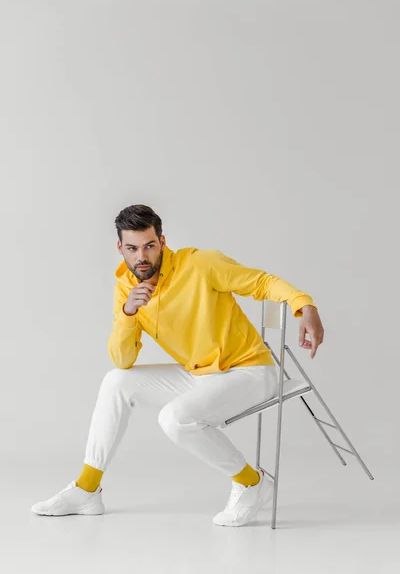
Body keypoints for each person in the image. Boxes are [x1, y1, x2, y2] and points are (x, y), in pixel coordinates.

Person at [31, 204, 324, 526]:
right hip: (201, 375)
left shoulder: (199, 263)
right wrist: (129, 314)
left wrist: (304, 305)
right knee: (116, 381)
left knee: (174, 418)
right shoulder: (126, 289)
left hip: (250, 370)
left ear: (162, 241)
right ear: (120, 248)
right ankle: (87, 489)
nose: (141, 256)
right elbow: (123, 360)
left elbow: (262, 282)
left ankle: (251, 482)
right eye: (132, 248)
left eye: (149, 246)